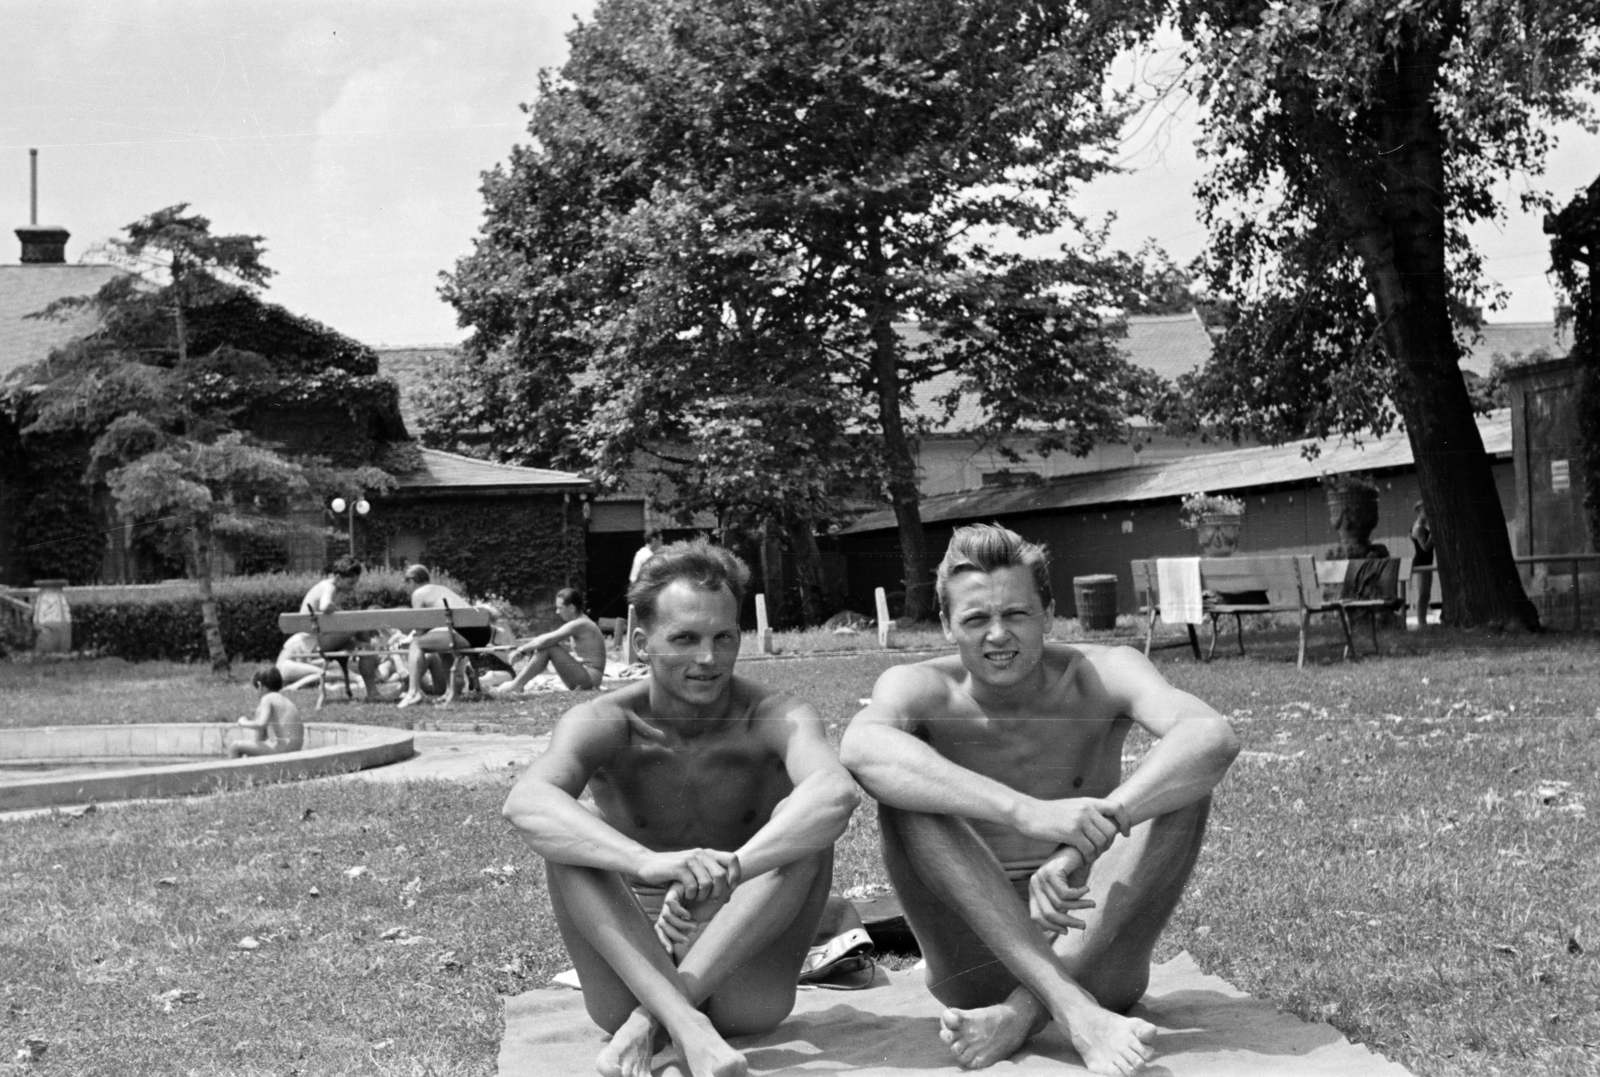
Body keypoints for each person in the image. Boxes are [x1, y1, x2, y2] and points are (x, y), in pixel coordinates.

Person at [839, 524, 1240, 1076]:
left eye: (1017, 615)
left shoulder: (1102, 672)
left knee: (1184, 791)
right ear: (945, 624)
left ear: (1048, 614)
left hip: (1095, 946)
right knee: (906, 794)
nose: (998, 635)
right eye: (976, 619)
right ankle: (1072, 1011)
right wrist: (1028, 812)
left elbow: (1211, 737)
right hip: (974, 964)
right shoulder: (920, 688)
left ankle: (1025, 1014)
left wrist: (1084, 842)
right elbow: (861, 748)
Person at [501, 539, 859, 1077]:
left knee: (804, 824)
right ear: (642, 643)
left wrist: (727, 874)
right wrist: (648, 863)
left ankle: (655, 1022)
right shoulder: (606, 721)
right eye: (685, 639)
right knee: (571, 836)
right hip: (634, 959)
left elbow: (837, 795)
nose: (708, 659)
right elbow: (525, 803)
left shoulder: (774, 716)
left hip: (743, 970)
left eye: (723, 638)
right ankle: (686, 1025)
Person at [396, 565, 494, 708]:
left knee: (416, 643)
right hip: (483, 631)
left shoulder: (418, 593)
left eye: (406, 583)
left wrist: (408, 640)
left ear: (412, 580)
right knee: (443, 649)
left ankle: (413, 692)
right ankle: (450, 692)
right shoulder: (440, 589)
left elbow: (420, 630)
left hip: (465, 631)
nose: (406, 588)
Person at [494, 587, 608, 695]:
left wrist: (522, 650)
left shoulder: (581, 623)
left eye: (560, 608)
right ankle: (518, 684)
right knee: (544, 646)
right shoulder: (580, 622)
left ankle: (516, 685)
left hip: (590, 679)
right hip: (585, 676)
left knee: (549, 647)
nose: (557, 612)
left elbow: (547, 639)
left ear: (571, 608)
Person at [298, 555, 381, 700]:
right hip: (316, 643)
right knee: (361, 624)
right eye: (350, 582)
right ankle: (374, 686)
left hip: (317, 640)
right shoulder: (330, 587)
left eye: (355, 583)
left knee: (365, 647)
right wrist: (344, 614)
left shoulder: (326, 586)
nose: (352, 587)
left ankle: (373, 692)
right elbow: (325, 606)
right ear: (338, 577)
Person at [230, 667, 306, 757]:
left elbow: (261, 724)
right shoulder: (284, 700)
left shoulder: (267, 698)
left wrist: (243, 722)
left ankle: (237, 770)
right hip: (295, 749)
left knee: (235, 746)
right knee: (259, 716)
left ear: (260, 685)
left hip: (283, 749)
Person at [1410, 500, 1435, 627]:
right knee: (1422, 593)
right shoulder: (1418, 528)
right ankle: (1421, 622)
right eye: (1426, 511)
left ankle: (1423, 620)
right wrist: (1433, 536)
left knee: (1426, 593)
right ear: (1419, 512)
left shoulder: (1424, 527)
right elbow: (1424, 547)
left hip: (1427, 562)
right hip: (1421, 563)